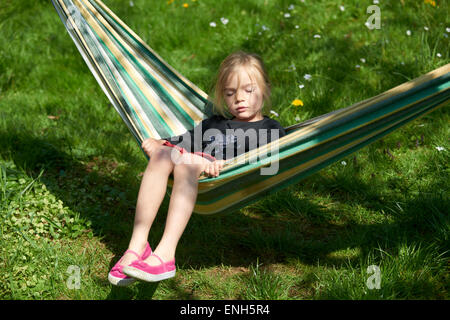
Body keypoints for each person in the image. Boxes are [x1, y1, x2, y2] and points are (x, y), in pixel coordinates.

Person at [108, 51, 286, 285]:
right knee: (163, 156)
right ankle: (137, 246)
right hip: (194, 167)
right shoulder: (215, 123)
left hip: (224, 176)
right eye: (230, 93)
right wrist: (161, 142)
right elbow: (184, 142)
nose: (239, 99)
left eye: (248, 90)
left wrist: (230, 164)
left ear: (265, 90)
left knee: (187, 162)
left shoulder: (269, 129)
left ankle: (165, 254)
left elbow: (270, 163)